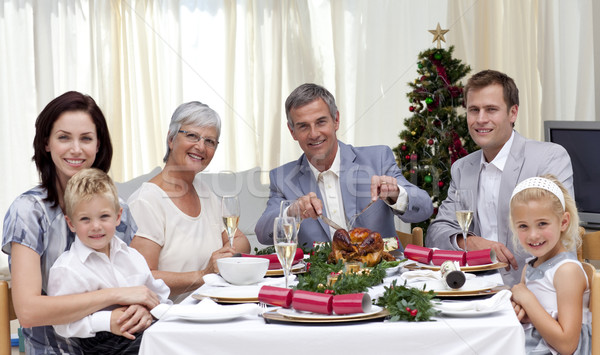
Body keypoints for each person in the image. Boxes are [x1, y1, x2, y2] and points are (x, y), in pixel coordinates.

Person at [2, 91, 159, 354]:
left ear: (98, 145)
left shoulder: (120, 210)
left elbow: (137, 282)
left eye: (86, 138)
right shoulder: (28, 212)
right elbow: (28, 311)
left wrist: (141, 310)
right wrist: (117, 295)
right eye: (64, 137)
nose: (76, 149)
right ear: (46, 143)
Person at [425, 70, 573, 286]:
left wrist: (528, 297)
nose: (480, 119)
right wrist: (471, 243)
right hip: (474, 289)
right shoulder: (462, 168)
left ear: (513, 113)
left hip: (536, 292)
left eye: (491, 109)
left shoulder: (549, 157)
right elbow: (436, 233)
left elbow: (560, 237)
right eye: (474, 110)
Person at [255, 83, 433, 248]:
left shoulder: (377, 159)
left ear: (336, 120)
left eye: (321, 122)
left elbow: (424, 208)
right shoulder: (282, 177)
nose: (314, 134)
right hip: (319, 280)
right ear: (292, 131)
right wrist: (292, 212)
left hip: (384, 276)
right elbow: (263, 234)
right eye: (303, 126)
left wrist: (396, 195)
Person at [128, 101, 251, 303]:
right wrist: (205, 274)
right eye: (192, 135)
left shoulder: (204, 192)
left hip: (209, 312)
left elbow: (241, 242)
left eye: (210, 141)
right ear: (171, 139)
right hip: (167, 320)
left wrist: (224, 260)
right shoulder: (147, 201)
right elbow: (143, 279)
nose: (201, 147)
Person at [47, 168, 172, 354]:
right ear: (71, 223)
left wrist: (147, 310)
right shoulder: (67, 268)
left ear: (118, 217)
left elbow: (160, 297)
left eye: (104, 216)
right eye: (85, 219)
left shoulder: (132, 256)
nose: (96, 226)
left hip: (142, 329)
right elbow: (61, 322)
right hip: (101, 343)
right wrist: (106, 321)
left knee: (179, 340)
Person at [509, 175, 591, 354]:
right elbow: (533, 318)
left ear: (563, 222)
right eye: (523, 226)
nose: (533, 235)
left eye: (542, 224)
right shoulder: (530, 267)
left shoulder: (567, 271)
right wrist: (520, 310)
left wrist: (527, 300)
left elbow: (567, 345)